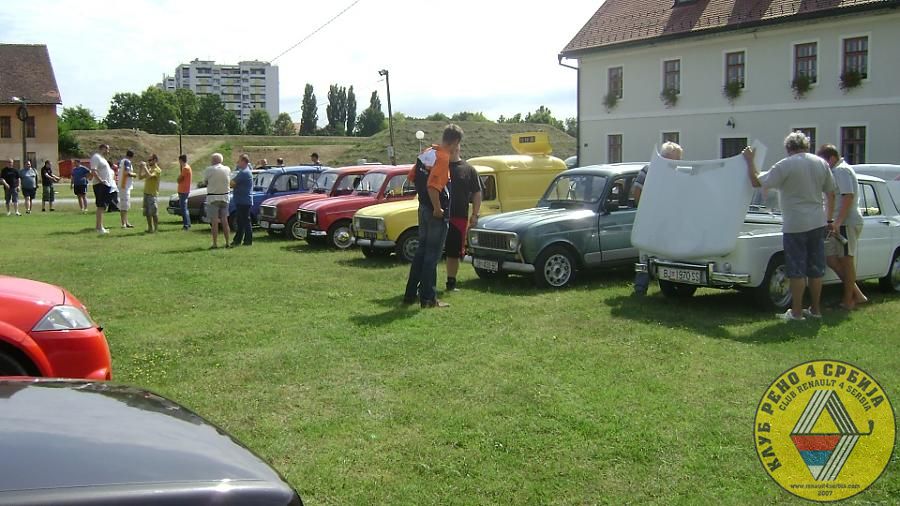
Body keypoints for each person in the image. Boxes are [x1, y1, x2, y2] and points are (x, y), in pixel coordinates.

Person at [743, 132, 836, 321]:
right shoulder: (821, 163)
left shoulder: (785, 165)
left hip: (795, 223)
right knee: (816, 269)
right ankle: (816, 309)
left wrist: (749, 160)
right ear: (807, 146)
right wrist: (829, 219)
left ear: (788, 149)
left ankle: (796, 312)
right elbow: (831, 192)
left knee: (796, 269)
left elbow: (756, 181)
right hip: (817, 221)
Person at [403, 124, 461, 308]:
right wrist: (437, 207)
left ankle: (410, 294)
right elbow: (433, 186)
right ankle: (428, 298)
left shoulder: (429, 151)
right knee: (432, 255)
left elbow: (412, 175)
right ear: (455, 143)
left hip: (422, 207)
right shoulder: (443, 158)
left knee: (421, 252)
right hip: (435, 211)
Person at [818, 144, 867, 310]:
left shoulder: (842, 171)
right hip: (837, 222)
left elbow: (848, 197)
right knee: (831, 258)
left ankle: (848, 301)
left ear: (831, 158)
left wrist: (838, 222)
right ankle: (857, 294)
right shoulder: (835, 172)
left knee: (847, 260)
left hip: (847, 221)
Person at [631, 141, 684, 295]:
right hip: (650, 220)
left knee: (668, 255)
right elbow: (637, 191)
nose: (677, 163)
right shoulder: (648, 170)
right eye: (675, 159)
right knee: (646, 254)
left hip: (669, 221)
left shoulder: (677, 173)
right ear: (666, 157)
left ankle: (668, 288)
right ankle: (640, 289)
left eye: (678, 160)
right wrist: (646, 211)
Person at [445, 150, 483, 291]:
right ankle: (424, 284)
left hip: (459, 216)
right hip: (440, 216)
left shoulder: (468, 169)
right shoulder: (441, 166)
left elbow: (477, 193)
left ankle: (451, 283)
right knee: (433, 250)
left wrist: (475, 214)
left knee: (454, 252)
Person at [203, 153, 232, 249]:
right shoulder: (227, 169)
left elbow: (205, 181)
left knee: (214, 221)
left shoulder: (209, 169)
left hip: (213, 197)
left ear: (213, 160)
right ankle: (228, 242)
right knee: (225, 220)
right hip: (225, 197)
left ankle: (215, 243)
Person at [90, 144, 115, 234]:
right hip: (100, 185)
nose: (108, 151)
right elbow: (93, 171)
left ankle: (99, 226)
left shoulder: (102, 158)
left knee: (103, 206)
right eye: (107, 149)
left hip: (106, 184)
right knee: (101, 206)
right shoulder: (96, 157)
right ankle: (100, 228)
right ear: (102, 148)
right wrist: (101, 181)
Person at [230, 154, 254, 247]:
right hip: (242, 200)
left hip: (243, 201)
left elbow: (232, 183)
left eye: (239, 161)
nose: (237, 162)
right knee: (241, 221)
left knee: (245, 221)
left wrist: (230, 178)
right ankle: (238, 240)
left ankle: (248, 240)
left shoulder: (244, 173)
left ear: (244, 162)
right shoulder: (244, 172)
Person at [139, 154, 162, 233]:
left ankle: (156, 229)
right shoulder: (150, 169)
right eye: (148, 160)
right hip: (146, 193)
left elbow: (150, 176)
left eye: (150, 160)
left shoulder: (157, 170)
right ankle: (150, 228)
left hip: (152, 194)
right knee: (147, 212)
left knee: (154, 213)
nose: (149, 162)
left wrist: (145, 167)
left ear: (155, 160)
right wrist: (140, 168)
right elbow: (140, 177)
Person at [117, 150, 136, 228]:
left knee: (125, 204)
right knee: (124, 205)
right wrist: (134, 174)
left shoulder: (122, 161)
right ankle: (123, 223)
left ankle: (126, 221)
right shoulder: (127, 162)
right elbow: (127, 173)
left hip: (124, 186)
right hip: (124, 185)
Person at [176, 154, 192, 230]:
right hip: (184, 190)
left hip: (183, 190)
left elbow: (179, 179)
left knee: (183, 208)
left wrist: (178, 178)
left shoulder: (185, 168)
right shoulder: (187, 168)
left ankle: (186, 225)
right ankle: (188, 223)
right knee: (185, 208)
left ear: (181, 160)